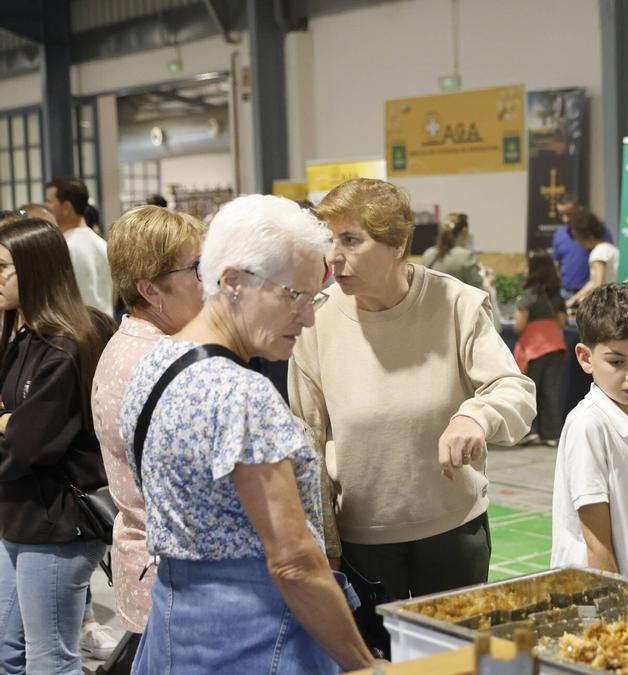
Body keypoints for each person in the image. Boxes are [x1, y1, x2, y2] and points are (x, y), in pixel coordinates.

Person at [120, 195, 374, 673]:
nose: (308, 316)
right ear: (233, 281)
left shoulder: (153, 363)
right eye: (294, 295)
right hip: (255, 639)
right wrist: (361, 663)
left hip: (175, 627)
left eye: (313, 297)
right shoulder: (242, 396)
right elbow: (294, 563)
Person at [289, 178, 535, 656]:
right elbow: (308, 442)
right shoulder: (314, 323)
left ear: (399, 242)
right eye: (328, 240)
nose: (333, 258)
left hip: (452, 533)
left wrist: (475, 417)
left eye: (351, 240)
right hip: (361, 544)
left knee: (455, 662)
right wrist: (327, 545)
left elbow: (515, 391)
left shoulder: (456, 304)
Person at [0, 217, 115, 674]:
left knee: (50, 660)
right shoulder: (24, 336)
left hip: (57, 525)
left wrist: (13, 423)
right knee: (11, 653)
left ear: (35, 269)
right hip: (21, 517)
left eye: (4, 266)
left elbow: (28, 446)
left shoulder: (67, 345)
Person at [91, 207, 205, 649]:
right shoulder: (166, 362)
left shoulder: (127, 343)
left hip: (148, 570)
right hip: (177, 582)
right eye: (196, 268)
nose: (208, 281)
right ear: (150, 289)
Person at [551, 283, 628, 588]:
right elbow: (597, 545)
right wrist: (615, 615)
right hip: (601, 601)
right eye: (617, 362)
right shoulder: (588, 425)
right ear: (585, 357)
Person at [514, 249, 567, 446]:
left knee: (530, 390)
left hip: (534, 349)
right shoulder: (557, 296)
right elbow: (562, 322)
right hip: (555, 346)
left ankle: (530, 430)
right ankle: (552, 433)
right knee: (550, 390)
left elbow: (519, 325)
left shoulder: (528, 295)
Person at [46, 177, 113, 314]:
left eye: (49, 201)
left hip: (77, 329)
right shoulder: (102, 244)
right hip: (106, 326)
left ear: (66, 207)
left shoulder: (64, 246)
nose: (46, 207)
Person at [552, 198, 612, 302]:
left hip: (590, 293)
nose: (565, 219)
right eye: (561, 214)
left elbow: (597, 282)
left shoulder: (600, 250)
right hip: (567, 291)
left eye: (568, 213)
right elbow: (556, 264)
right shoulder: (559, 234)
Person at [565, 209, 618, 309]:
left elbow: (598, 284)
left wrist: (584, 300)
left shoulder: (598, 253)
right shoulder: (608, 248)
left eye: (576, 237)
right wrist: (574, 298)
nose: (576, 242)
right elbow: (593, 282)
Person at [422, 212, 483, 288]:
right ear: (464, 231)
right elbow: (478, 289)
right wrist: (487, 282)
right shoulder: (466, 256)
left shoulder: (428, 254)